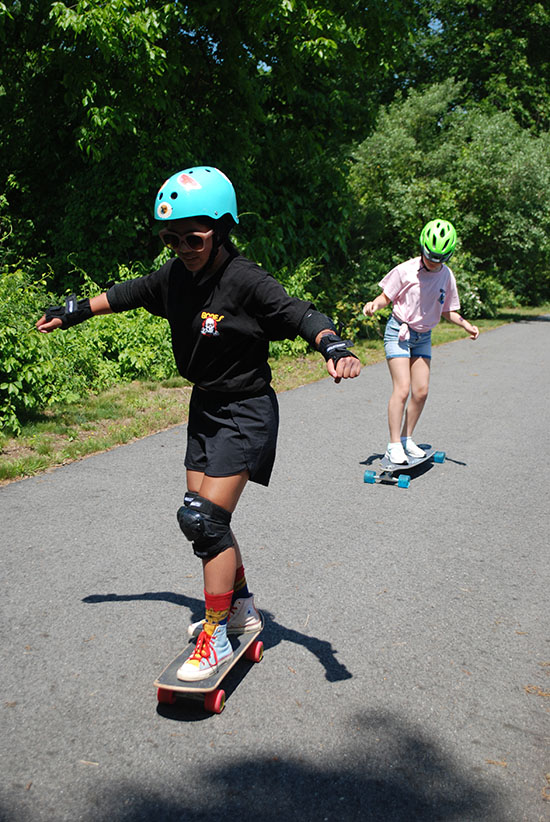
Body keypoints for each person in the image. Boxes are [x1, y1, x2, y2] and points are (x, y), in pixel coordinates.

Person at [36, 166, 361, 680]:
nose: (182, 247)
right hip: (204, 409)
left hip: (246, 411)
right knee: (206, 524)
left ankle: (216, 635)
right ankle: (242, 607)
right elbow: (124, 294)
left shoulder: (245, 280)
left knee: (203, 520)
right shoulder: (174, 277)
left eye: (193, 237)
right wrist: (74, 311)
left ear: (222, 229)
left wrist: (333, 344)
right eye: (171, 238)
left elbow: (300, 313)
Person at [362, 218, 479, 465]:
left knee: (421, 391)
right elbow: (385, 296)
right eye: (430, 256)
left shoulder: (446, 276)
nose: (434, 262)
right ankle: (393, 444)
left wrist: (466, 325)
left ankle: (406, 439)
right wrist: (374, 305)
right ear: (422, 248)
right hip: (399, 332)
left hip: (423, 336)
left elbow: (448, 310)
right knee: (402, 389)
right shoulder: (405, 270)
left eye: (439, 258)